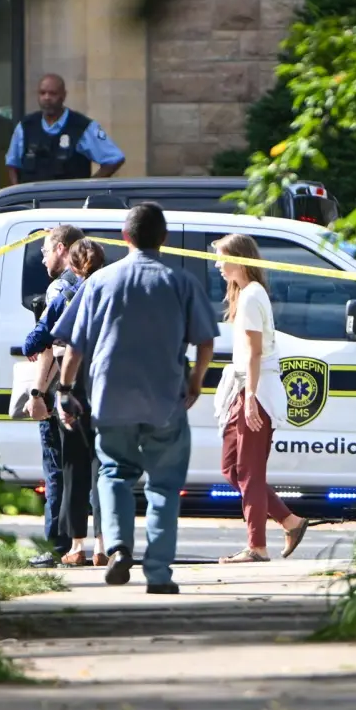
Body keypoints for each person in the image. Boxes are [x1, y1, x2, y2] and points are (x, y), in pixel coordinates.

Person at [51, 202, 218, 594]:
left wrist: (63, 391)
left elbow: (73, 347)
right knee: (163, 485)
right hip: (165, 401)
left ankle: (119, 548)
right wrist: (194, 382)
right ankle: (158, 573)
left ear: (125, 237)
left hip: (111, 400)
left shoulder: (99, 283)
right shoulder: (180, 283)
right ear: (164, 239)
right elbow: (206, 340)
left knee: (113, 474)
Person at [210, 234, 309, 563]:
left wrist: (250, 397)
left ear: (239, 259)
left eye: (222, 258)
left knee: (249, 471)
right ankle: (290, 520)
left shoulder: (252, 297)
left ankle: (257, 546)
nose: (218, 265)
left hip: (256, 390)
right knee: (232, 469)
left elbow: (254, 353)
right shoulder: (247, 295)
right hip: (244, 387)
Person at [24, 238, 108, 566]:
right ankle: (103, 544)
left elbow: (47, 334)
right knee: (104, 467)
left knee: (73, 464)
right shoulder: (112, 290)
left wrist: (57, 389)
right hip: (107, 381)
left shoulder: (68, 292)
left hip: (76, 382)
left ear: (72, 264)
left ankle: (76, 546)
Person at [21, 224, 85, 568]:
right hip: (85, 386)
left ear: (61, 248)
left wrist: (35, 393)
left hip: (58, 385)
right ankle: (87, 543)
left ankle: (56, 544)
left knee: (56, 469)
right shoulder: (92, 282)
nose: (43, 258)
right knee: (81, 468)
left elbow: (43, 345)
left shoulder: (60, 287)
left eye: (45, 250)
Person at [4, 73, 125, 185]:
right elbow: (12, 165)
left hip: (68, 204)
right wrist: (18, 193)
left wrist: (88, 188)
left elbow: (114, 159)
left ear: (63, 95)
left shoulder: (81, 126)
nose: (47, 98)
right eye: (42, 93)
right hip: (33, 204)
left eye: (53, 93)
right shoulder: (26, 126)